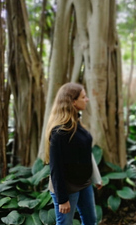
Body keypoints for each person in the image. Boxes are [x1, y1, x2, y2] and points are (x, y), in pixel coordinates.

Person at [44, 83, 102, 225]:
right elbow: (55, 168)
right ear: (73, 102)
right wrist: (62, 199)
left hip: (84, 184)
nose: (87, 99)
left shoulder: (77, 123)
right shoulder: (59, 132)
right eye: (83, 97)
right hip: (67, 187)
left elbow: (87, 154)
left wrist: (96, 178)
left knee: (90, 221)